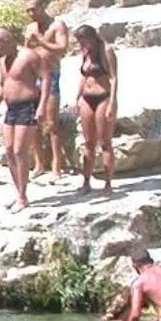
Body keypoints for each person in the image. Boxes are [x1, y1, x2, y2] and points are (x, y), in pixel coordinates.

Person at [0, 28, 45, 211]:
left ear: (8, 41)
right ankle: (19, 192)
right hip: (11, 108)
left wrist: (42, 105)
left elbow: (46, 79)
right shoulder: (3, 61)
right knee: (9, 151)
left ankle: (22, 196)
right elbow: (3, 85)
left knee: (20, 151)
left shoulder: (29, 56)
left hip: (27, 105)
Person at [23, 0, 71, 181]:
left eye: (34, 9)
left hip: (50, 75)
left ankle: (57, 166)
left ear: (44, 6)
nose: (31, 13)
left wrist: (40, 41)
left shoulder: (57, 26)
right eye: (28, 10)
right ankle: (39, 163)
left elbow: (62, 49)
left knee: (52, 123)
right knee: (34, 122)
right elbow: (27, 52)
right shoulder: (30, 28)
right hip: (33, 77)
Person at [71, 24, 117, 195]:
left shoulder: (106, 51)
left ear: (91, 38)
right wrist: (77, 97)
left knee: (105, 142)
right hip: (86, 98)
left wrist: (112, 102)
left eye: (83, 40)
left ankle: (108, 183)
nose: (82, 44)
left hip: (103, 97)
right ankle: (86, 181)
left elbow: (113, 78)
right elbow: (84, 76)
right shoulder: (85, 53)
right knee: (88, 142)